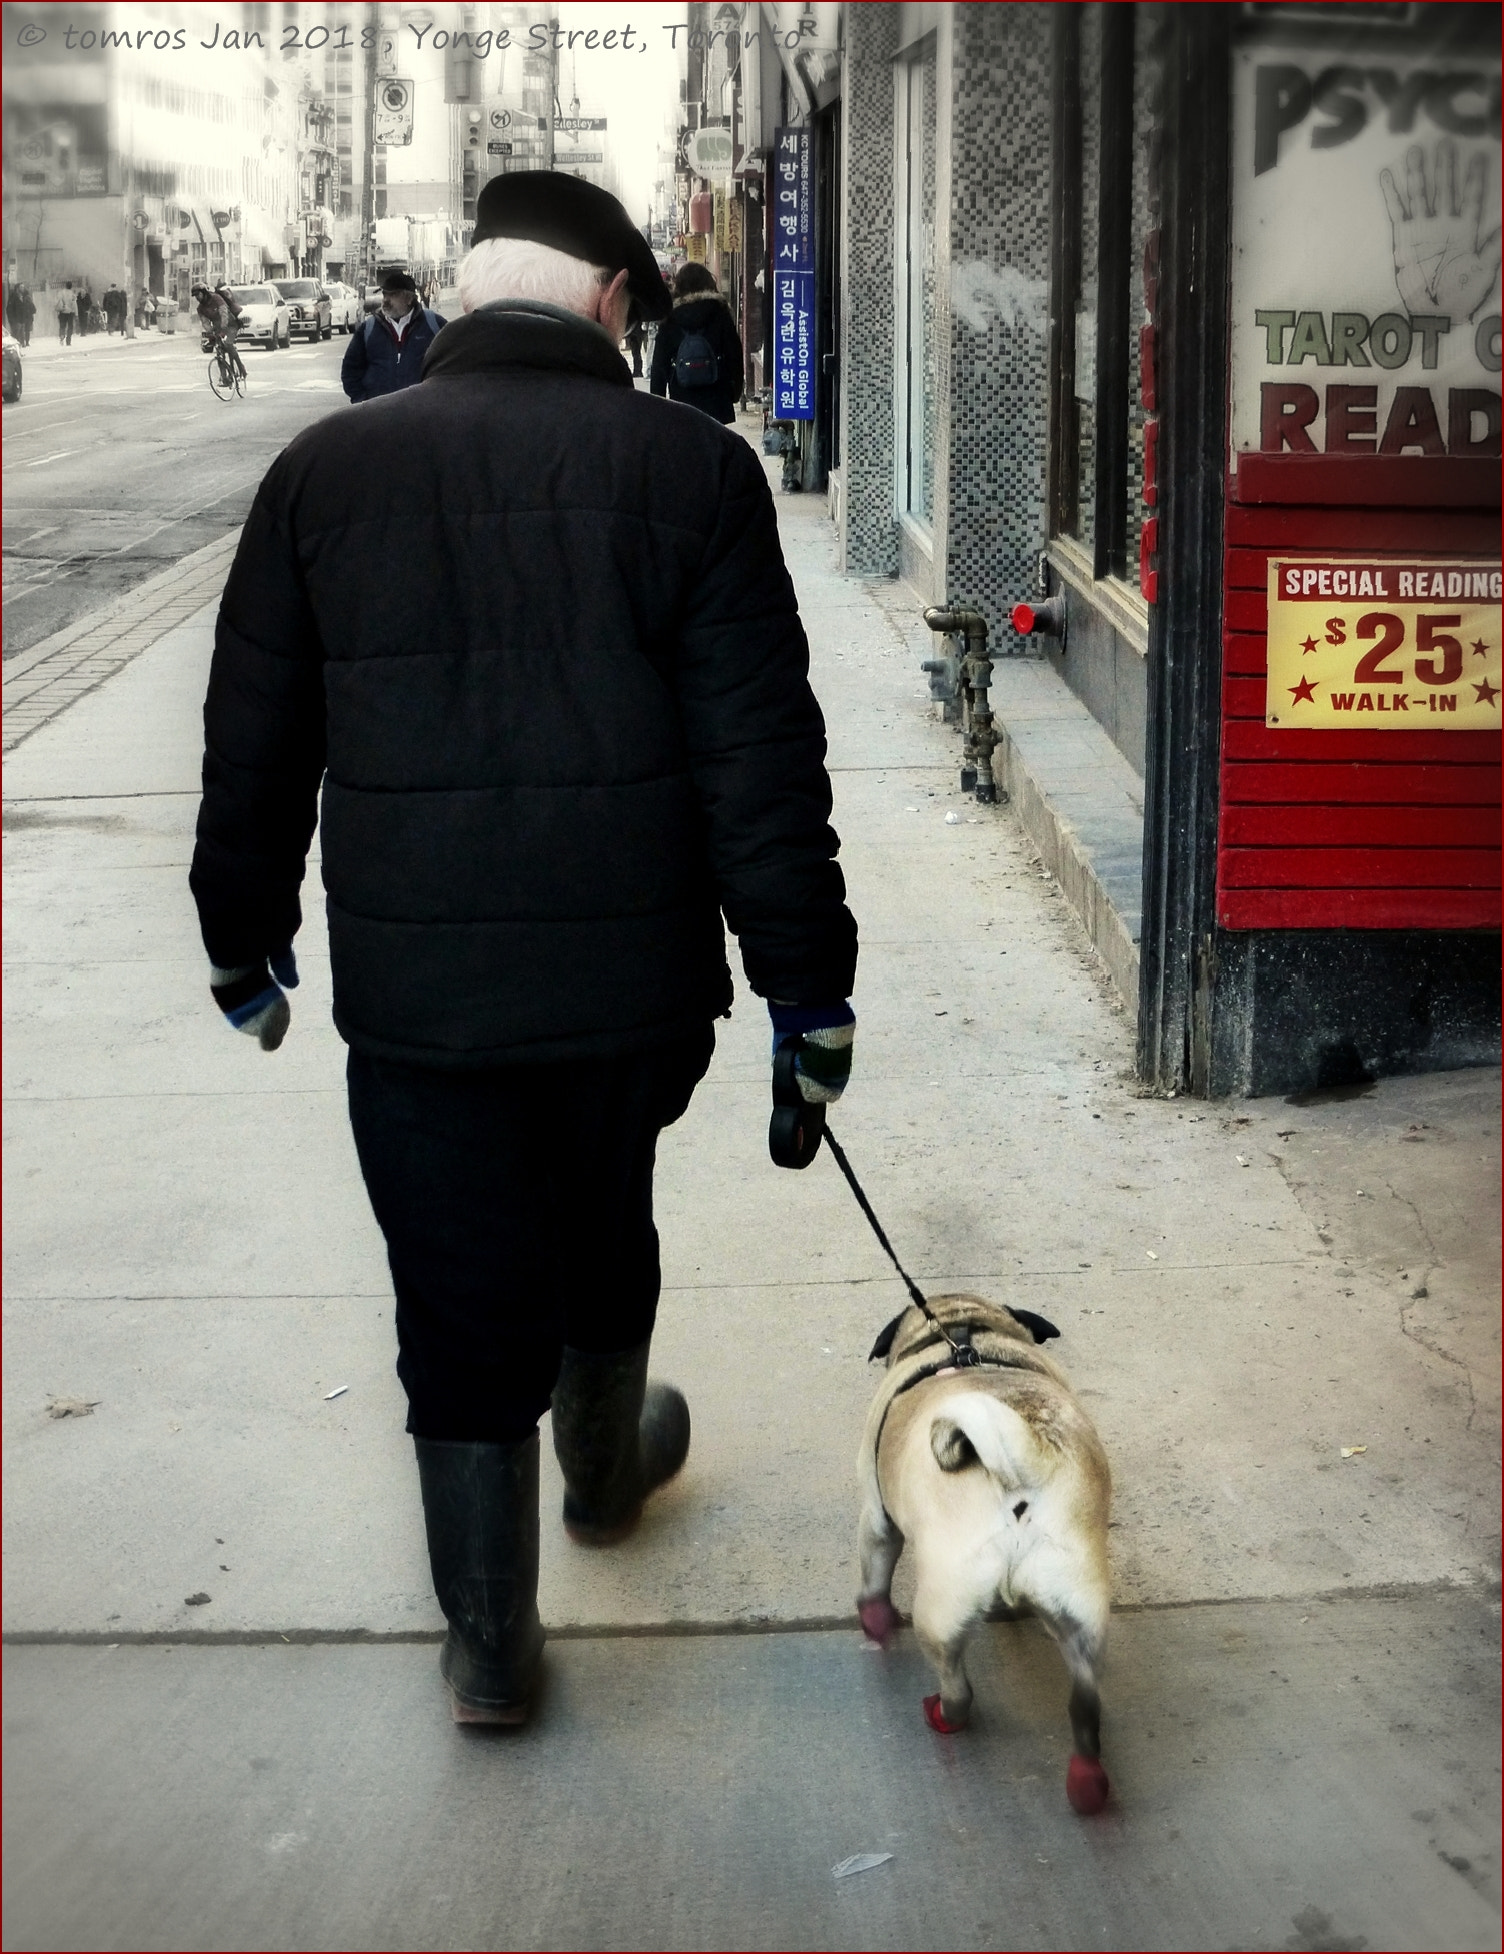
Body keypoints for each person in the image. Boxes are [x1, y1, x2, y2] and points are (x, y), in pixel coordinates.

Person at [189, 170, 858, 1727]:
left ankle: (490, 1647)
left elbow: (254, 743)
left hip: (422, 1002)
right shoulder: (691, 474)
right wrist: (806, 987)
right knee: (600, 1209)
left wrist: (244, 943)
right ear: (616, 303)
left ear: (468, 286)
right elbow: (760, 757)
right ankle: (607, 1476)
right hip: (629, 995)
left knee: (456, 1278)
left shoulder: (325, 470)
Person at [649, 261, 744, 425]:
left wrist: (658, 402)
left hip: (681, 401)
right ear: (709, 283)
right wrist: (735, 392)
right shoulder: (720, 313)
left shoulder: (670, 319)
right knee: (715, 447)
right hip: (717, 400)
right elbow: (734, 355)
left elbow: (659, 365)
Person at [340, 269, 446, 402]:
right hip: (378, 415)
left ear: (409, 299)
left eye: (393, 295)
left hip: (421, 413)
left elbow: (453, 367)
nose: (385, 300)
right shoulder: (369, 328)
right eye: (384, 295)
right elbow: (350, 369)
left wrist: (438, 401)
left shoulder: (434, 324)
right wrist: (362, 401)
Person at [55, 281, 77, 345]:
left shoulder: (61, 292)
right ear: (71, 286)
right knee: (70, 326)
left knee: (62, 326)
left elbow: (57, 301)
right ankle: (68, 340)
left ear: (65, 286)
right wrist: (76, 313)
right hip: (70, 313)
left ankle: (62, 336)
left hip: (62, 312)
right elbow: (74, 304)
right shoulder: (72, 294)